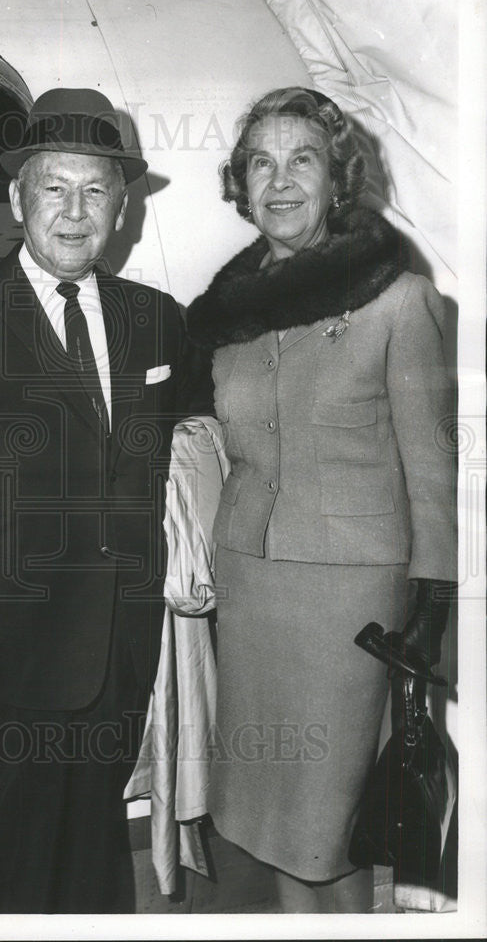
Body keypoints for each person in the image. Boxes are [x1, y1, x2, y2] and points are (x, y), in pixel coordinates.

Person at [185, 87, 456, 913]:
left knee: (328, 823)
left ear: (337, 179)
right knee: (268, 817)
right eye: (259, 162)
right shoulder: (228, 313)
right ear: (240, 184)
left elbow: (431, 468)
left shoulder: (399, 303)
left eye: (300, 158)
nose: (278, 180)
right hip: (250, 585)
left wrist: (432, 605)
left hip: (349, 605)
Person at [0, 87, 184, 913]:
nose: (74, 212)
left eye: (95, 190)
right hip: (5, 653)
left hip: (122, 644)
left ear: (122, 206)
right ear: (16, 199)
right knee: (1, 867)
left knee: (97, 862)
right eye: (53, 188)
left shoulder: (160, 321)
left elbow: (194, 457)